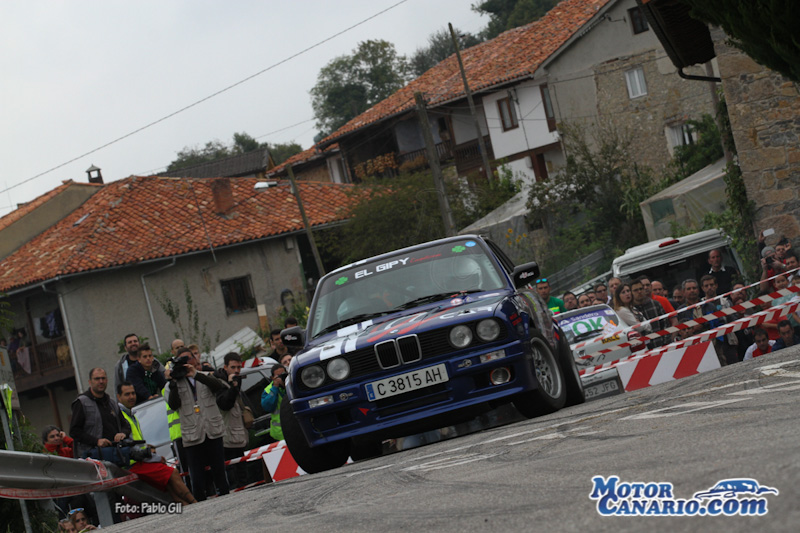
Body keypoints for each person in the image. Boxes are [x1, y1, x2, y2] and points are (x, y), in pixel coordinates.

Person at [117, 381, 197, 505]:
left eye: (133, 393)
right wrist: (153, 456)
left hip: (141, 460)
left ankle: (186, 505)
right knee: (173, 473)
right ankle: (195, 503)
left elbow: (136, 442)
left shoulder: (131, 414)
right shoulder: (120, 416)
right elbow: (128, 446)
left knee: (169, 484)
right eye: (127, 394)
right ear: (119, 397)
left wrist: (149, 449)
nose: (131, 397)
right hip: (134, 463)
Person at [166, 347, 229, 501]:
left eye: (188, 358)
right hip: (192, 435)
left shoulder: (205, 376)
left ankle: (226, 497)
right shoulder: (174, 383)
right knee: (197, 477)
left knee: (219, 471)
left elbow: (219, 387)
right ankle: (200, 503)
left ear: (195, 359)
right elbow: (173, 405)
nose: (186, 362)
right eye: (182, 360)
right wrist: (173, 382)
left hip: (212, 430)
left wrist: (196, 374)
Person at [69, 368, 130, 460]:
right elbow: (74, 431)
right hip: (92, 457)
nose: (101, 381)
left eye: (103, 378)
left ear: (107, 380)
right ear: (90, 382)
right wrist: (96, 441)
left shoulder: (112, 403)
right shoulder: (82, 402)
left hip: (115, 455)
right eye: (97, 379)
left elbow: (126, 425)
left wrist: (123, 433)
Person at [213, 353, 251, 490]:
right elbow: (225, 404)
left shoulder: (237, 380)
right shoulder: (218, 383)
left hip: (238, 433)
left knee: (242, 472)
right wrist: (232, 386)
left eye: (239, 367)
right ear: (225, 367)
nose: (236, 370)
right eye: (233, 367)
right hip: (226, 435)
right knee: (232, 473)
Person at [700, 274, 738, 365]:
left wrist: (727, 315)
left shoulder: (725, 302)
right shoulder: (700, 306)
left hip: (728, 340)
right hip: (711, 343)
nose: (709, 288)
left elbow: (735, 319)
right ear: (702, 288)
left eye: (711, 285)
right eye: (706, 286)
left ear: (716, 285)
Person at [632, 278, 668, 348]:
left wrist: (665, 343)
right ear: (631, 293)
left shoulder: (655, 304)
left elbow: (665, 324)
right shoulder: (630, 310)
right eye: (636, 290)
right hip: (643, 349)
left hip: (661, 345)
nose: (639, 292)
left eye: (641, 289)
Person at [261, 365, 288, 442]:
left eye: (283, 374)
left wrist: (286, 387)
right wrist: (275, 387)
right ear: (272, 378)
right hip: (281, 433)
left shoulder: (292, 383)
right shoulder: (268, 390)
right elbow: (267, 407)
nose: (281, 377)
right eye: (278, 376)